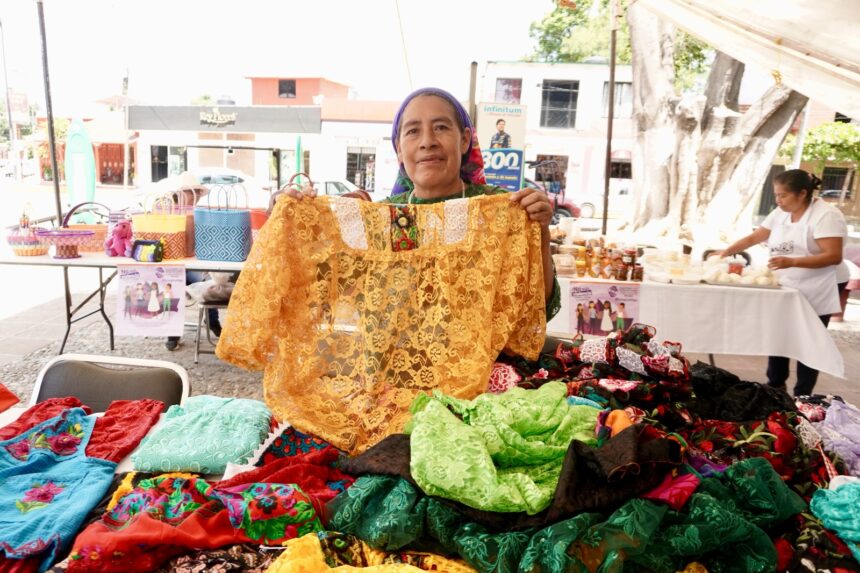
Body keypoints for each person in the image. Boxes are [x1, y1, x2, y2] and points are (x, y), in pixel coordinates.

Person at [283, 87, 559, 320]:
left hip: (480, 377)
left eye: (440, 127)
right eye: (413, 131)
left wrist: (541, 233)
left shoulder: (500, 208)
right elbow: (317, 285)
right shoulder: (380, 218)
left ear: (464, 140)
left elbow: (538, 307)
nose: (428, 141)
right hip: (393, 375)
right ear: (400, 150)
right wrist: (291, 220)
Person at [721, 169, 846, 396]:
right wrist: (726, 251)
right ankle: (775, 386)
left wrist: (792, 261)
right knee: (778, 333)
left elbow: (833, 256)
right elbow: (754, 237)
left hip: (819, 284)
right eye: (776, 195)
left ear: (802, 194)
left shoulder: (826, 215)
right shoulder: (780, 213)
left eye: (783, 196)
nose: (778, 201)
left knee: (809, 340)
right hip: (786, 282)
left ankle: (803, 395)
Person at [165, 271, 223, 351]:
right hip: (172, 270)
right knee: (173, 287)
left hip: (192, 269)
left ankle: (212, 320)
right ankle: (173, 332)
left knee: (208, 285)